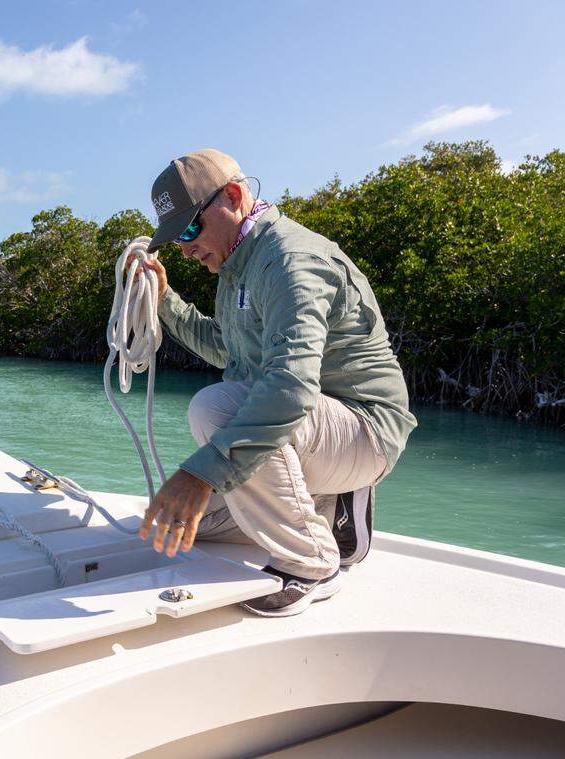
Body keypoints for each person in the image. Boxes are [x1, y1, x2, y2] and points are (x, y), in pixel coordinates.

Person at [136, 148, 417, 617]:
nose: (185, 248)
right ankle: (332, 509)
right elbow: (228, 350)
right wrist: (163, 299)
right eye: (176, 237)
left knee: (214, 408)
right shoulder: (237, 266)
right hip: (317, 433)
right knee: (186, 523)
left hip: (367, 432)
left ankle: (312, 564)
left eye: (189, 229)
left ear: (233, 195)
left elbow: (290, 387)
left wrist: (200, 472)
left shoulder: (291, 260)